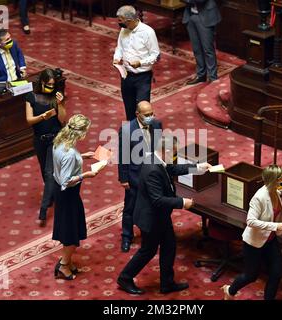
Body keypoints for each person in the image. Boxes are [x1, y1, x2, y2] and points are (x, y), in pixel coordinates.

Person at [117, 135, 212, 294]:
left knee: (169, 246)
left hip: (159, 216)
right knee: (148, 251)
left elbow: (173, 169)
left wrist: (198, 167)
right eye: (174, 153)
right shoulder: (152, 169)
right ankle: (125, 278)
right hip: (151, 218)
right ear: (165, 151)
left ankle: (166, 283)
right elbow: (157, 200)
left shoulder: (157, 160)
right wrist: (182, 202)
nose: (174, 157)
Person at [222, 165, 282, 300]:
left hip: (270, 241)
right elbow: (250, 221)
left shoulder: (276, 188)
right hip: (254, 243)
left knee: (276, 273)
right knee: (251, 276)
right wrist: (274, 226)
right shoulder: (259, 197)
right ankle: (230, 290)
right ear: (273, 181)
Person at [52, 114, 100, 280]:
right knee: (71, 232)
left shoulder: (60, 140)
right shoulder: (70, 154)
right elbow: (66, 181)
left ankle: (67, 261)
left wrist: (83, 156)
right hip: (68, 195)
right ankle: (64, 265)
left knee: (69, 228)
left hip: (59, 191)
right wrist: (85, 175)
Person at [118, 101, 162, 252]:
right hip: (134, 175)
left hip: (152, 175)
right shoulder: (126, 130)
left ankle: (150, 235)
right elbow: (123, 157)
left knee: (152, 206)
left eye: (152, 113)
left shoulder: (157, 124)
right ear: (137, 114)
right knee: (130, 207)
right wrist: (123, 179)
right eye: (147, 115)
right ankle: (126, 236)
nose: (151, 117)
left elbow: (159, 148)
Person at [25, 68, 67, 227]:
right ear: (42, 82)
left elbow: (63, 120)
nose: (51, 87)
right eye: (48, 84)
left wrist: (61, 104)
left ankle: (43, 209)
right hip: (39, 140)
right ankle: (53, 195)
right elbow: (29, 120)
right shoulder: (31, 97)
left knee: (50, 172)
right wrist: (43, 116)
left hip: (55, 139)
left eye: (53, 84)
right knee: (45, 171)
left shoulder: (56, 97)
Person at [113, 5, 160, 121]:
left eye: (120, 20)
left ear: (129, 20)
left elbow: (156, 55)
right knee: (129, 109)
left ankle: (144, 136)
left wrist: (140, 63)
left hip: (142, 78)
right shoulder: (124, 29)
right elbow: (119, 48)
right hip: (126, 76)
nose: (118, 23)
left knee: (143, 110)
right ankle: (132, 134)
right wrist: (116, 58)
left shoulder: (148, 32)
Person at [181, 0, 221, 84]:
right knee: (197, 49)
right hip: (190, 15)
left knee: (208, 49)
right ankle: (201, 75)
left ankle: (213, 77)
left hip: (206, 16)